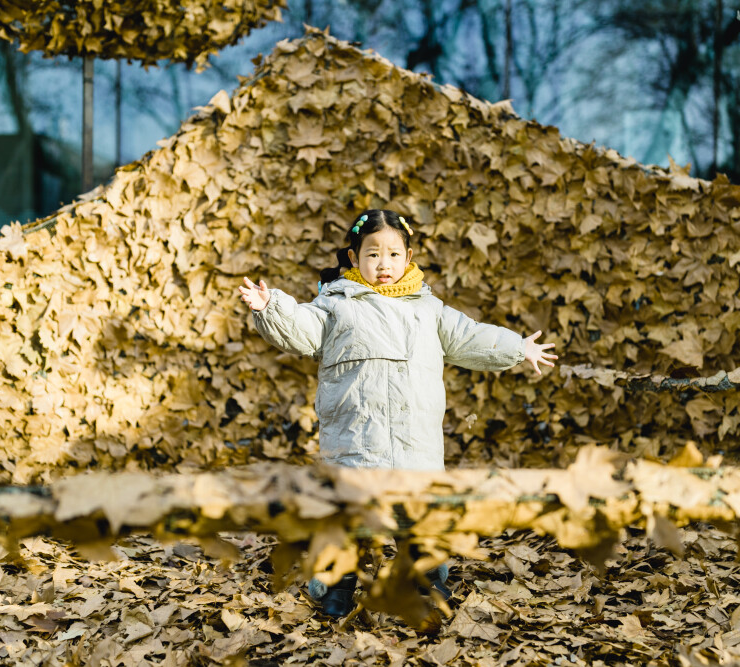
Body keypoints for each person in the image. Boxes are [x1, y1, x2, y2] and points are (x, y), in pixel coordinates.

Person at [239, 209, 557, 616]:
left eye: (392, 254)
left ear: (409, 258)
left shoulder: (429, 309)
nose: (383, 264)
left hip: (414, 441)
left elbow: (470, 336)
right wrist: (272, 307)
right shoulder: (335, 306)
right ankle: (335, 590)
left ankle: (426, 586)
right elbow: (302, 328)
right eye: (372, 254)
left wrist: (517, 347)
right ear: (354, 259)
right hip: (355, 439)